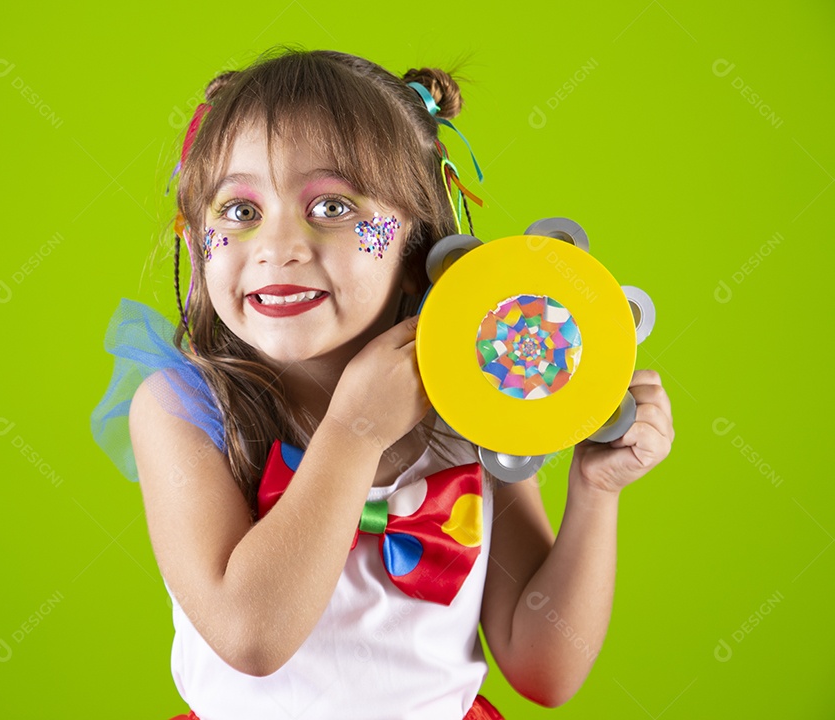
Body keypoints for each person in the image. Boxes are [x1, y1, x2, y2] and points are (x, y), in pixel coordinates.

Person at [91, 48, 674, 720]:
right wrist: (355, 432)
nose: (278, 244)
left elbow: (544, 667)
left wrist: (596, 492)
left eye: (333, 204)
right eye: (240, 210)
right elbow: (251, 639)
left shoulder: (474, 401)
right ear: (195, 241)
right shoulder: (182, 411)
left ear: (417, 241)